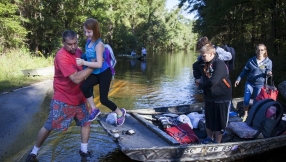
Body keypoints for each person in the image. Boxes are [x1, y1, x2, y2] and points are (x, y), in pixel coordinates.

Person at [26, 30, 94, 161]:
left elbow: (86, 67)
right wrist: (94, 65)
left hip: (80, 97)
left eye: (75, 43)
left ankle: (83, 151)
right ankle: (34, 152)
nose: (73, 47)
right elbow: (75, 78)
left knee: (86, 122)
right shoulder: (61, 56)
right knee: (49, 126)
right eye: (69, 44)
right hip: (64, 98)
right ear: (63, 42)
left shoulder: (79, 51)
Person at [76, 18, 126, 126]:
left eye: (89, 32)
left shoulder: (99, 45)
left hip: (104, 73)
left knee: (104, 99)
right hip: (95, 73)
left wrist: (84, 62)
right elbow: (90, 57)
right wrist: (84, 58)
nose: (86, 34)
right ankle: (94, 109)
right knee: (84, 87)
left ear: (95, 30)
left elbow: (98, 64)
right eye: (85, 31)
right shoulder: (88, 42)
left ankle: (120, 113)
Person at [198, 44, 232, 144]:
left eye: (204, 55)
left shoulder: (220, 64)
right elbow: (195, 66)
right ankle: (209, 138)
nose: (202, 57)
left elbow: (213, 82)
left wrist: (201, 86)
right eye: (202, 55)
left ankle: (217, 142)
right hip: (209, 97)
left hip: (221, 97)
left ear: (211, 54)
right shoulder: (204, 62)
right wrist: (197, 77)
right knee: (209, 119)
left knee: (219, 122)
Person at [234, 44, 272, 121]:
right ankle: (245, 114)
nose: (260, 52)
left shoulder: (268, 61)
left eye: (262, 50)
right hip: (250, 82)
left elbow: (268, 71)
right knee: (246, 99)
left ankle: (253, 115)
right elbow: (244, 71)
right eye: (258, 50)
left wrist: (269, 73)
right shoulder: (251, 61)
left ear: (264, 51)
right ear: (255, 51)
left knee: (257, 101)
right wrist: (238, 79)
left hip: (260, 84)